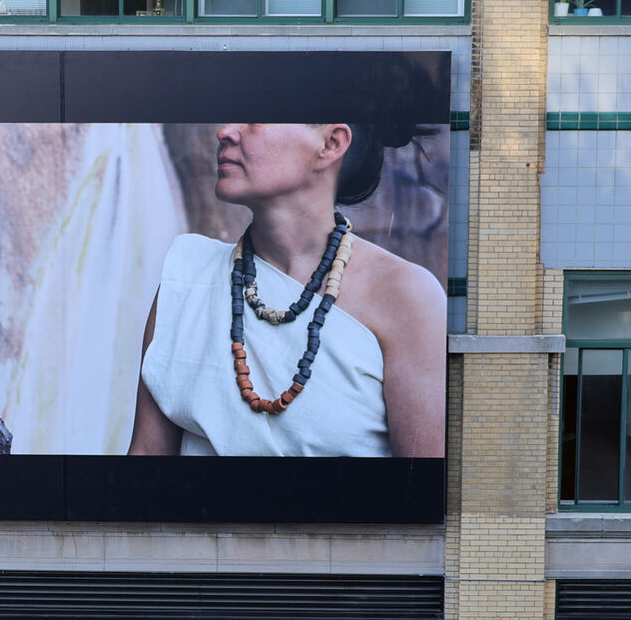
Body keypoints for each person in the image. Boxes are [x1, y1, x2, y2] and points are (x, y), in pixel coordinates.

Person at [127, 123, 446, 457]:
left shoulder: (406, 297)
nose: (225, 131)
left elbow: (417, 495)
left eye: (256, 118)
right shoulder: (187, 280)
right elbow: (145, 468)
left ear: (331, 143)